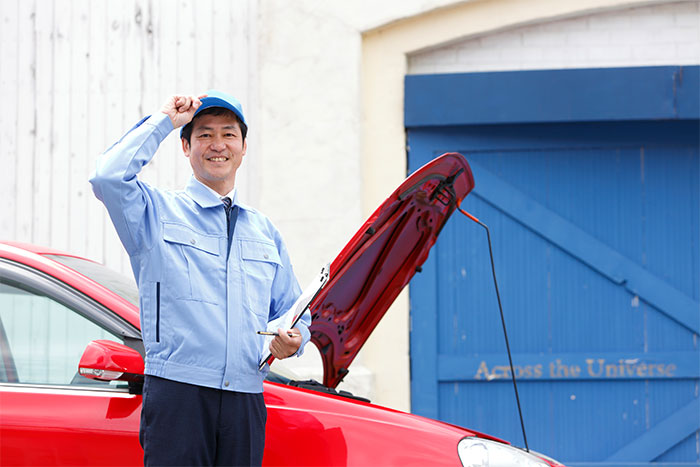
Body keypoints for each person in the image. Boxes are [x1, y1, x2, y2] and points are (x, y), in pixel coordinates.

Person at [90, 90, 310, 466]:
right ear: (186, 146)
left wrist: (293, 339)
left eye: (229, 134)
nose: (218, 145)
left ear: (243, 148)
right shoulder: (155, 213)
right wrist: (164, 120)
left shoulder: (263, 231)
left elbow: (294, 312)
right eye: (205, 134)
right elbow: (108, 177)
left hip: (245, 397)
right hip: (179, 395)